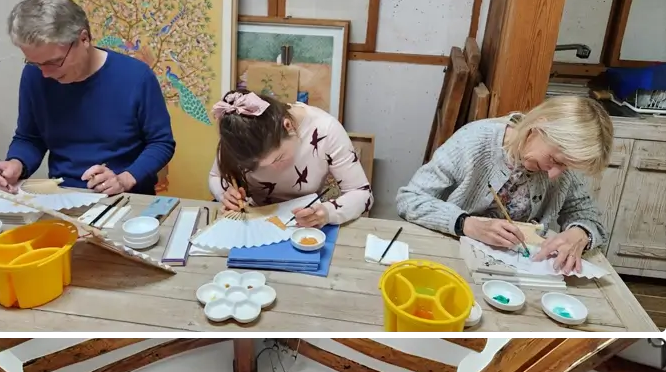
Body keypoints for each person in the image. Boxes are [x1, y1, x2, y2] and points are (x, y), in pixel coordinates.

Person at [396, 96, 612, 275]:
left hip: (519, 272)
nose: (554, 173)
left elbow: (588, 216)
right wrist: (466, 224)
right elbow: (409, 199)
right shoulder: (475, 141)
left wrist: (581, 233)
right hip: (452, 262)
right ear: (539, 126)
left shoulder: (562, 163)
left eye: (565, 167)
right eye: (554, 160)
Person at [0, 0, 175, 197]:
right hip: (62, 194)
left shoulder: (136, 76)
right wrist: (16, 164)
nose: (45, 73)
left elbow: (161, 143)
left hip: (127, 196)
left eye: (53, 62)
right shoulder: (35, 76)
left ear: (83, 39)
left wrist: (124, 179)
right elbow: (30, 137)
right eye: (35, 63)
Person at [208, 90, 373, 226]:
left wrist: (327, 212)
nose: (273, 169)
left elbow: (362, 194)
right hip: (253, 223)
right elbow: (215, 176)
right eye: (256, 167)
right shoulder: (240, 132)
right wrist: (225, 195)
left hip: (303, 224)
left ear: (289, 126)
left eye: (279, 158)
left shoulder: (325, 130)